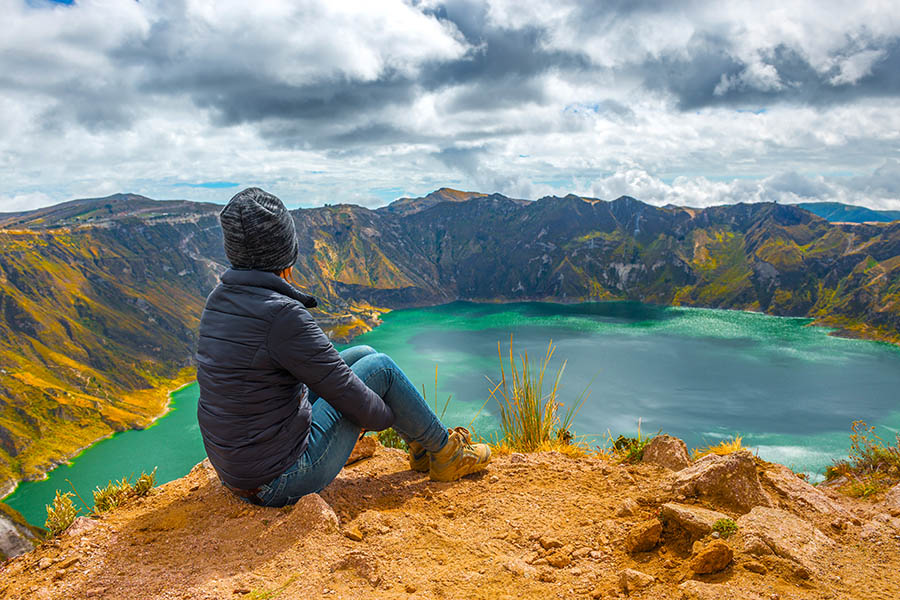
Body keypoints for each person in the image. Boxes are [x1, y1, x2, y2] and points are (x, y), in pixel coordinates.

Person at [196, 187, 491, 507]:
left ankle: (422, 448)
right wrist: (379, 415)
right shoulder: (281, 314)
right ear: (284, 252)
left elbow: (325, 375)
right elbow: (353, 397)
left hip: (238, 470)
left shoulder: (219, 299)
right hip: (279, 479)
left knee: (363, 354)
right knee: (382, 369)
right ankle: (447, 454)